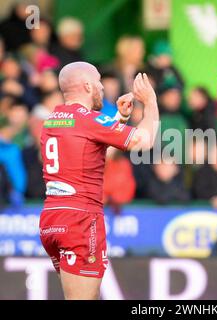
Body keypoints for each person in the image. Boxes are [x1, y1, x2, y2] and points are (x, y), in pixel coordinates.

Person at [39, 61, 159, 299]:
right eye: (98, 83)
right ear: (86, 85)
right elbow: (145, 141)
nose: (102, 89)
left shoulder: (52, 120)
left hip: (52, 217)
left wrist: (119, 119)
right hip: (80, 219)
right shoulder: (89, 120)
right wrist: (151, 101)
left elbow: (94, 155)